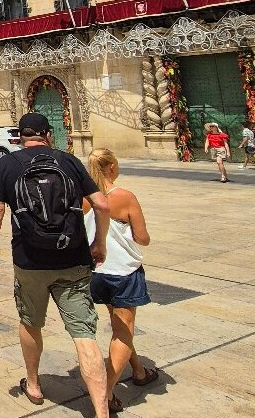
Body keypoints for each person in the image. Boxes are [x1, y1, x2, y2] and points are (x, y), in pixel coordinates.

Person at [0, 112, 111, 418]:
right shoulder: (69, 161)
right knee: (84, 335)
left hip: (30, 260)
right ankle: (102, 412)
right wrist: (99, 243)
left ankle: (35, 384)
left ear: (20, 136)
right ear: (48, 134)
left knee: (30, 322)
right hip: (73, 258)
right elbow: (103, 205)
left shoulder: (8, 163)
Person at [84, 149, 159, 413]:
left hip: (95, 273)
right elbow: (143, 238)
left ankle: (138, 371)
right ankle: (104, 395)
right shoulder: (124, 197)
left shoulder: (83, 198)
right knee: (123, 331)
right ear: (112, 167)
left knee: (120, 325)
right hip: (123, 272)